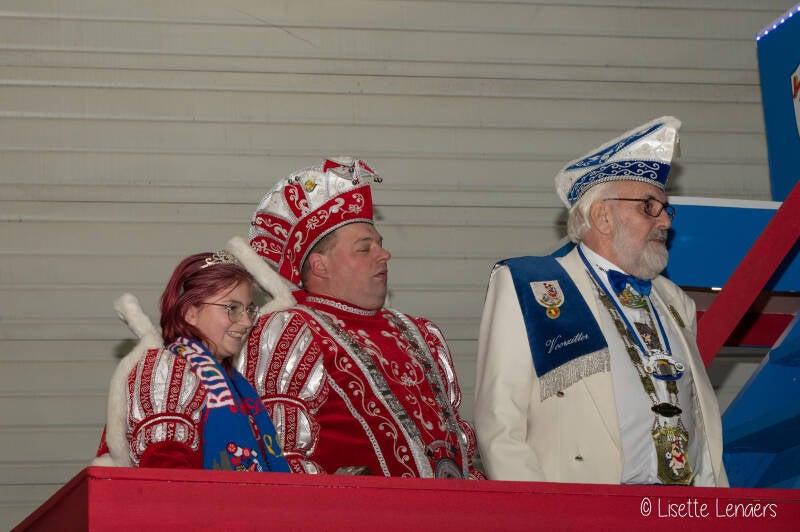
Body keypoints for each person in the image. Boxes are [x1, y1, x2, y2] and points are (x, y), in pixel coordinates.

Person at [474, 117, 728, 486]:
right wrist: (537, 516)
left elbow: (702, 425)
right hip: (583, 514)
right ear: (602, 216)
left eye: (665, 209)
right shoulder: (534, 285)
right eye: (648, 207)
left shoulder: (674, 301)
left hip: (681, 511)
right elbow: (500, 424)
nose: (665, 223)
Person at [237, 157, 483, 478]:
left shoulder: (419, 332)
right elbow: (281, 454)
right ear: (320, 266)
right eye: (364, 249)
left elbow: (459, 441)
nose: (384, 254)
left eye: (380, 245)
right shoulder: (292, 331)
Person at [94, 251, 290, 472]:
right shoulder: (169, 369)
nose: (246, 322)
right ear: (189, 313)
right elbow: (166, 475)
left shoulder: (236, 381)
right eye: (232, 308)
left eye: (249, 309)